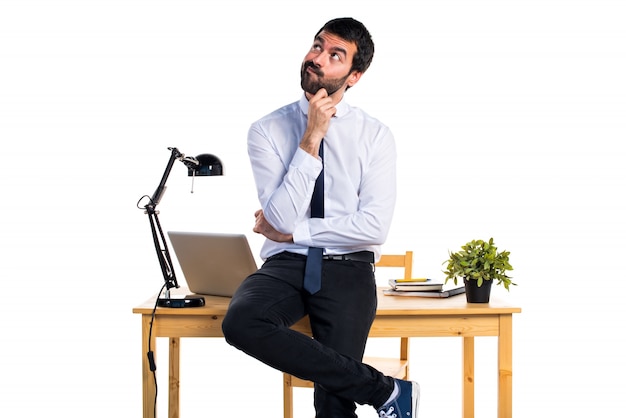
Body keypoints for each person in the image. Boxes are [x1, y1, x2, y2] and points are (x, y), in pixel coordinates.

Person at [222, 17, 420, 418]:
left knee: (333, 403)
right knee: (241, 323)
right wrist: (312, 136)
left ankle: (372, 392)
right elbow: (277, 214)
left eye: (335, 55)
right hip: (286, 267)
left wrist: (293, 233)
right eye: (316, 47)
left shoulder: (375, 136)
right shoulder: (266, 129)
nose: (318, 59)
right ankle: (385, 391)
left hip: (349, 269)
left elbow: (373, 226)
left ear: (354, 75)